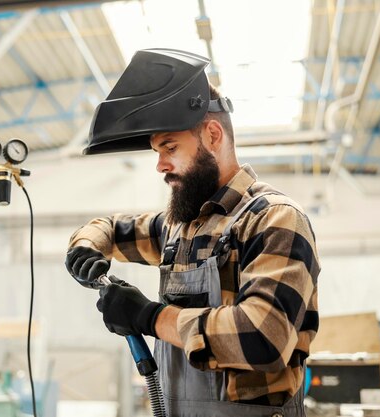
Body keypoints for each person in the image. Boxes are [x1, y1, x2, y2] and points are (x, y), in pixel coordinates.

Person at [65, 48, 320, 417]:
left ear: (213, 135)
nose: (160, 165)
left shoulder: (273, 220)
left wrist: (151, 317)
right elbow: (109, 228)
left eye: (169, 147)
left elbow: (264, 337)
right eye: (156, 151)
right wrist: (87, 247)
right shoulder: (179, 227)